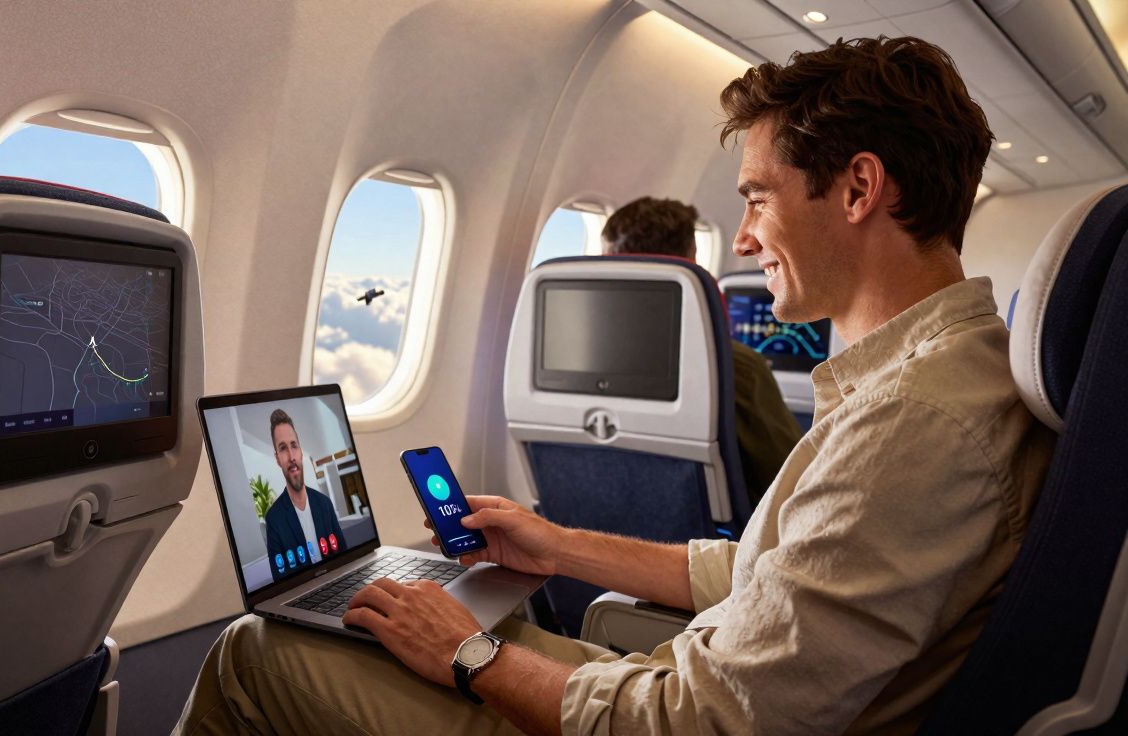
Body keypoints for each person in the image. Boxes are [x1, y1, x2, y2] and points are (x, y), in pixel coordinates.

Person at [176, 36, 1055, 735]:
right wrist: (554, 546)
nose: (744, 239)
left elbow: (707, 720)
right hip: (671, 682)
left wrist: (472, 659)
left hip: (672, 709)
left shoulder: (912, 424)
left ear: (860, 187)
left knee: (255, 649)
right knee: (402, 622)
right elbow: (756, 574)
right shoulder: (924, 381)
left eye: (757, 196)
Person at [602, 196, 802, 504]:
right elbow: (792, 483)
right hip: (711, 546)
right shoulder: (733, 366)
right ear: (691, 260)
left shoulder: (583, 366)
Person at [263, 408, 345, 580]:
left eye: (294, 445)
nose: (291, 456)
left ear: (301, 451)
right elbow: (281, 580)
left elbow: (345, 559)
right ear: (278, 458)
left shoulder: (324, 504)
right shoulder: (274, 519)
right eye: (283, 448)